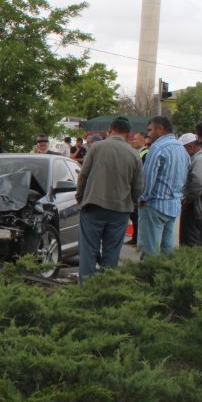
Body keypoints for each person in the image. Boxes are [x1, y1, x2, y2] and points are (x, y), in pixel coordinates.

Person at [75, 117, 142, 281]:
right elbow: (138, 187)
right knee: (112, 253)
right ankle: (107, 291)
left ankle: (85, 293)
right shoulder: (134, 154)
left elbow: (83, 176)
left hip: (93, 207)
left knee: (88, 251)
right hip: (120, 210)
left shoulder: (96, 147)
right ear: (128, 134)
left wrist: (80, 198)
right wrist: (131, 204)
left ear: (110, 129)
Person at [137, 116, 189, 257]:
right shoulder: (181, 149)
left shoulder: (157, 148)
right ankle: (165, 276)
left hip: (155, 205)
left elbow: (148, 178)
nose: (148, 134)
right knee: (167, 249)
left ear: (160, 129)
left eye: (150, 130)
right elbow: (186, 176)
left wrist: (142, 198)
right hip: (173, 206)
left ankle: (150, 276)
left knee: (150, 250)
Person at [178, 133, 202, 247]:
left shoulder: (199, 160)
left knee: (192, 243)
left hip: (198, 209)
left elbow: (199, 183)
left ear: (190, 147)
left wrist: (186, 199)